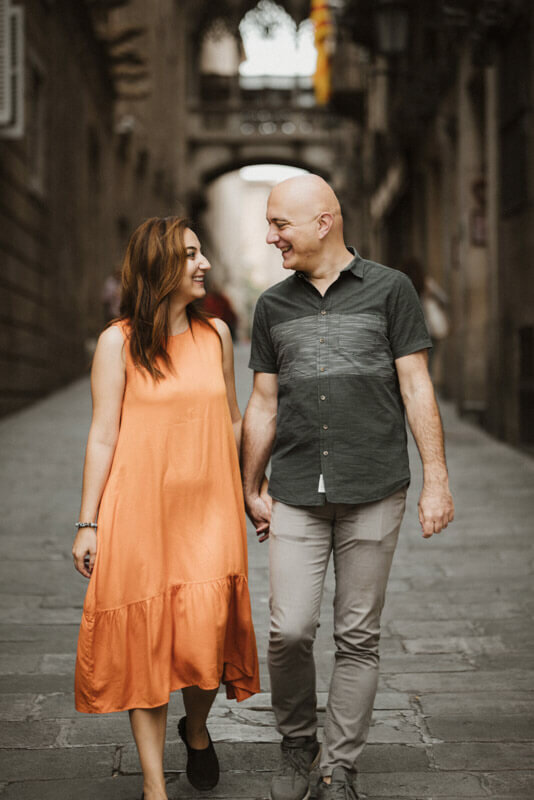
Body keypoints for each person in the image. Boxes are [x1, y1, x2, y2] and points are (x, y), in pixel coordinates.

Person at [241, 176, 454, 800]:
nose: (272, 234)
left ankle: (338, 766)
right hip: (297, 490)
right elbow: (261, 404)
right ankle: (297, 739)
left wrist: (436, 480)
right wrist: (249, 486)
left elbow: (416, 387)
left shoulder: (392, 289)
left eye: (282, 223)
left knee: (358, 636)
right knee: (290, 630)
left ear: (324, 222)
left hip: (375, 486)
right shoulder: (272, 306)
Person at [72, 216, 260, 800]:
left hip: (209, 508)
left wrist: (250, 488)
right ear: (160, 268)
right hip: (140, 511)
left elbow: (232, 418)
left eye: (202, 252)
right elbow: (103, 435)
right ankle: (155, 788)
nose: (203, 264)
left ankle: (197, 729)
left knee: (205, 635)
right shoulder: (117, 342)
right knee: (147, 645)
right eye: (191, 255)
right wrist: (87, 522)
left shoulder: (218, 336)